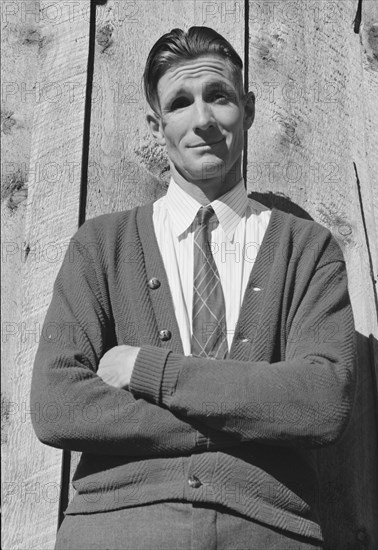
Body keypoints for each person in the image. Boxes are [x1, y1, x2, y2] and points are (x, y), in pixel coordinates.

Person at [31, 26, 356, 550]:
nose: (202, 120)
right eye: (180, 102)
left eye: (219, 97)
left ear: (246, 109)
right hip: (118, 526)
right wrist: (252, 410)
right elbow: (57, 406)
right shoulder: (102, 245)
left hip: (267, 529)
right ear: (156, 124)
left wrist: (146, 370)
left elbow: (321, 403)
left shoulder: (307, 249)